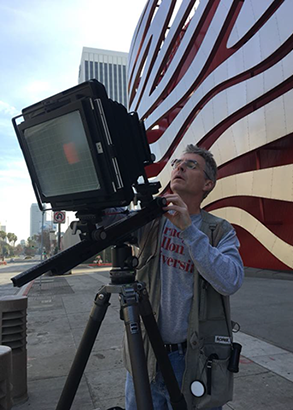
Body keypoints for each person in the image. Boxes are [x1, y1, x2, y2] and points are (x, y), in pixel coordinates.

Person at [123, 144, 244, 410]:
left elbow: (231, 280)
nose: (179, 167)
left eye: (191, 165)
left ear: (208, 184)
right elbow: (110, 225)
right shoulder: (151, 222)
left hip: (193, 359)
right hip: (143, 354)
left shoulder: (218, 230)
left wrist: (189, 231)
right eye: (178, 162)